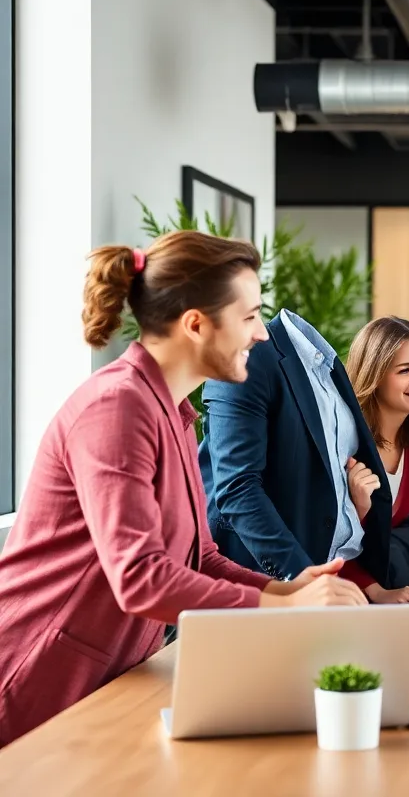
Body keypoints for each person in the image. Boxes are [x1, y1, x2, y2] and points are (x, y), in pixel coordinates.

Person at [0, 231, 367, 747]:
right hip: (39, 677)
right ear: (196, 323)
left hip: (110, 678)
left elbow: (202, 557)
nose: (261, 335)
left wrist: (289, 589)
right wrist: (281, 610)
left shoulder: (172, 412)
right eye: (248, 316)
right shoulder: (116, 409)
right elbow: (140, 578)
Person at [198, 306, 396, 597]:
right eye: (249, 313)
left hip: (323, 577)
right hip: (258, 584)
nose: (259, 331)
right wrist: (301, 574)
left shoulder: (320, 362)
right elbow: (238, 488)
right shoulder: (246, 360)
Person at [343, 316, 409, 609]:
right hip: (338, 597)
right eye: (405, 370)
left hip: (375, 596)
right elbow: (324, 544)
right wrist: (376, 591)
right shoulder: (344, 446)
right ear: (374, 376)